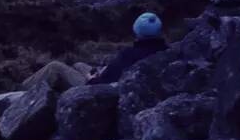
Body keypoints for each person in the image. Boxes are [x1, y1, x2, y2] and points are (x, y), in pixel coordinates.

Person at [19, 12, 169, 92]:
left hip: (97, 90)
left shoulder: (130, 54)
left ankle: (20, 92)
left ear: (137, 32)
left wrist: (92, 79)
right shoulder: (165, 51)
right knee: (79, 64)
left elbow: (107, 82)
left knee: (55, 67)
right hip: (115, 82)